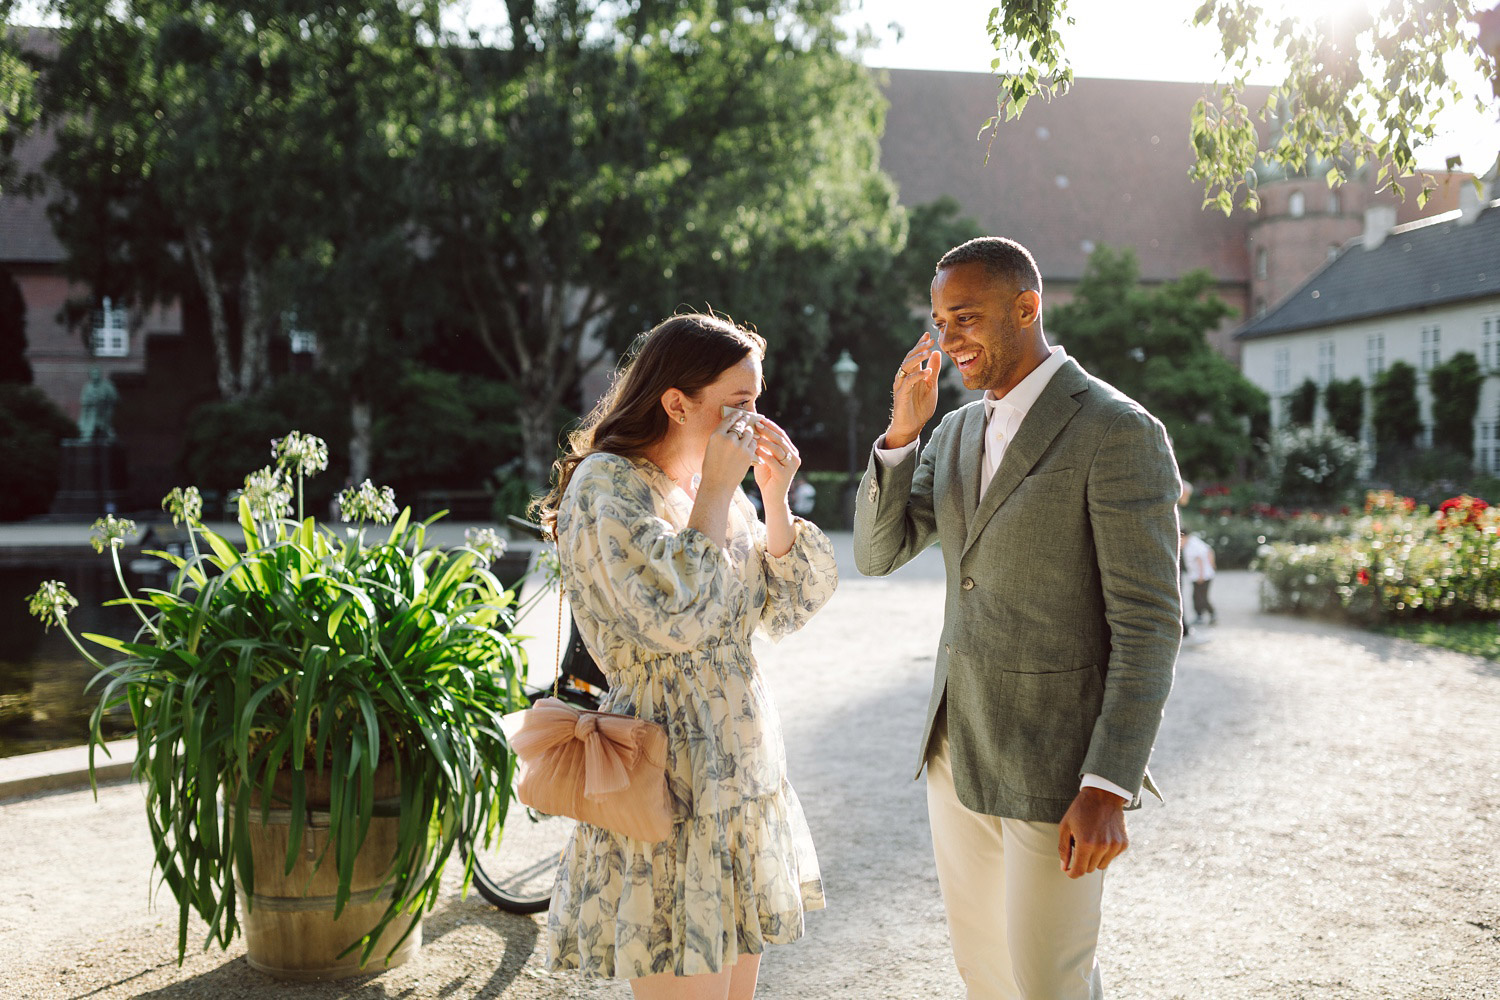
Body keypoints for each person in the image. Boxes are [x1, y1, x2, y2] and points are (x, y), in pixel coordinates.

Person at [853, 237, 1182, 1000]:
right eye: (939, 320)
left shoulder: (1117, 431)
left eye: (964, 317)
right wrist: (903, 432)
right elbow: (878, 553)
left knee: (1047, 985)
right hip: (956, 747)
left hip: (1057, 766)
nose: (947, 339)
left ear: (1027, 308)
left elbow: (1149, 623)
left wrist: (1107, 784)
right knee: (987, 976)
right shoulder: (959, 429)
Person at [535, 313, 838, 1000]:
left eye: (757, 403)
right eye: (738, 405)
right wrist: (717, 491)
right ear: (676, 402)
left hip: (744, 771)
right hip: (668, 772)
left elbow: (782, 606)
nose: (752, 421)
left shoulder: (714, 489)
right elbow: (671, 619)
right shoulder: (607, 485)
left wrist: (776, 498)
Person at [1181, 529, 1217, 626]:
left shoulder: (1193, 545)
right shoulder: (1192, 542)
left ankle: (1212, 614)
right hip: (1197, 575)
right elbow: (1209, 550)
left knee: (1202, 597)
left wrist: (1201, 575)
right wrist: (1212, 565)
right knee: (1196, 597)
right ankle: (1199, 616)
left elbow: (1199, 559)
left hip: (1202, 576)